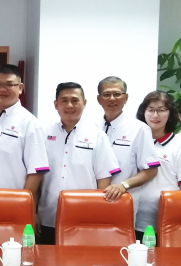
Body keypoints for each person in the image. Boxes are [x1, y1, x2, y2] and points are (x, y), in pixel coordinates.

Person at [38, 82, 120, 245]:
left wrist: (98, 217)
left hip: (84, 218)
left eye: (75, 100)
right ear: (56, 104)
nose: (70, 105)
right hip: (47, 216)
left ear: (84, 103)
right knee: (47, 259)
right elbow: (37, 176)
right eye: (64, 100)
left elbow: (103, 180)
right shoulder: (43, 133)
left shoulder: (97, 136)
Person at [0, 64, 49, 202]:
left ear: (20, 88)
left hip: (12, 200)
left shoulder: (30, 123)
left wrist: (24, 202)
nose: (2, 89)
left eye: (9, 85)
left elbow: (36, 171)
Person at [134, 91, 181, 238]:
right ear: (143, 112)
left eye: (161, 110)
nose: (155, 115)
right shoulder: (134, 142)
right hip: (133, 219)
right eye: (151, 110)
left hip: (166, 223)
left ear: (170, 114)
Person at [95, 77, 160, 210]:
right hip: (91, 199)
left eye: (117, 94)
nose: (112, 98)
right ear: (99, 99)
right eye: (106, 94)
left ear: (126, 98)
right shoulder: (90, 127)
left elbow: (151, 170)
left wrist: (123, 185)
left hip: (122, 201)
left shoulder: (139, 129)